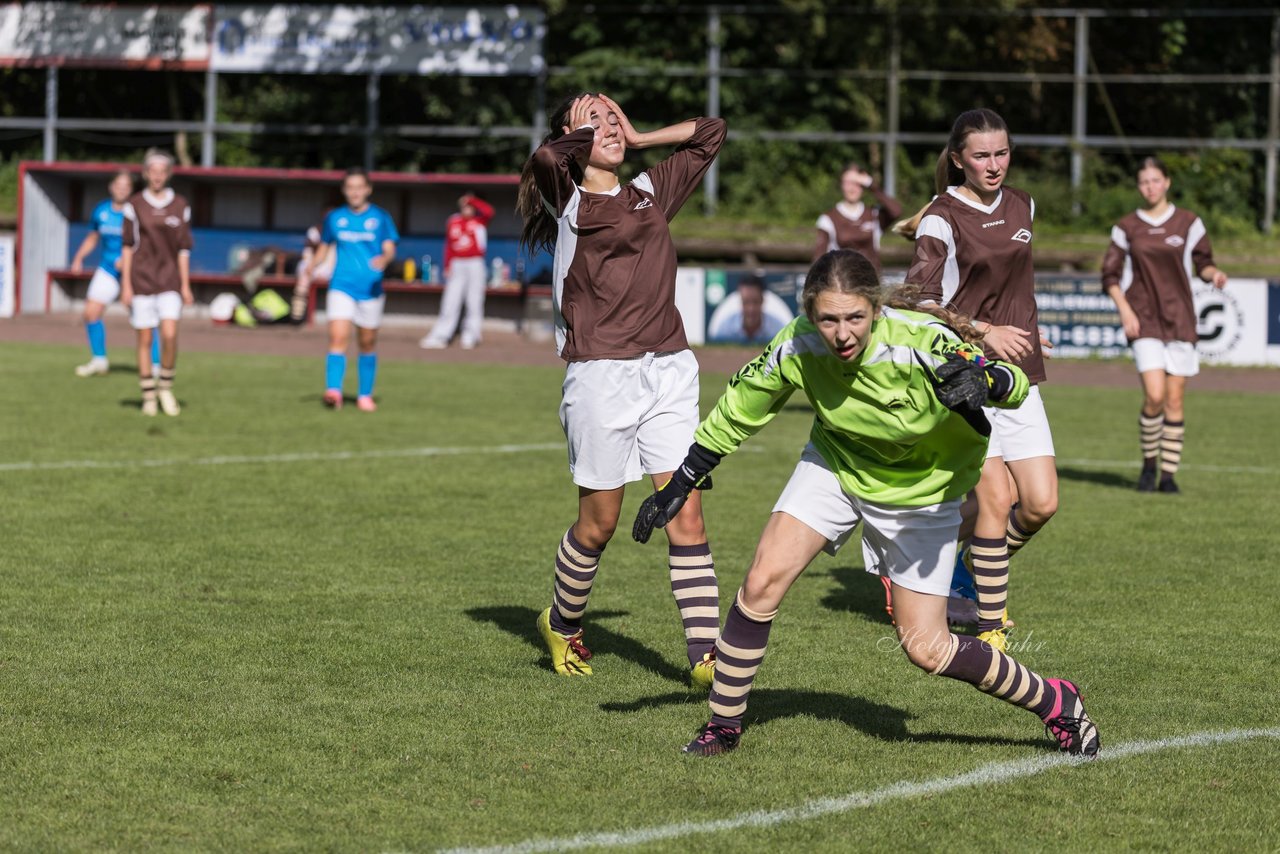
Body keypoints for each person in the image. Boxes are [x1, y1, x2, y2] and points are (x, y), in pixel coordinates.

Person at [632, 250, 1099, 759]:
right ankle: (723, 724)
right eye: (828, 319)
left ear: (875, 309)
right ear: (810, 314)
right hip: (837, 465)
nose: (842, 333)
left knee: (929, 649)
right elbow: (742, 406)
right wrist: (684, 477)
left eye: (855, 317)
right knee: (762, 581)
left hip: (922, 491)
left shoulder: (920, 341)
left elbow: (1013, 385)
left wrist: (988, 381)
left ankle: (1056, 700)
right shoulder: (797, 344)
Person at [516, 92, 727, 685]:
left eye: (613, 115)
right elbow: (544, 158)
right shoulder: (569, 199)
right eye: (592, 119)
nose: (607, 126)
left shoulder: (650, 191)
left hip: (670, 370)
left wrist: (638, 138)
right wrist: (584, 133)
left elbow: (711, 130)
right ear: (570, 134)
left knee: (685, 516)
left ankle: (706, 656)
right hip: (600, 377)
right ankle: (562, 622)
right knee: (599, 525)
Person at [903, 109, 1057, 651]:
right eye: (981, 156)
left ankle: (962, 560)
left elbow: (1017, 284)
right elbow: (918, 304)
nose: (994, 165)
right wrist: (986, 330)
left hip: (1019, 374)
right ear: (958, 159)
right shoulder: (940, 219)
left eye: (1002, 153)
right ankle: (991, 631)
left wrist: (1031, 333)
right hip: (964, 374)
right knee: (995, 500)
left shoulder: (1023, 204)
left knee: (1039, 504)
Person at [1102, 156, 1228, 494]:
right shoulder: (1127, 227)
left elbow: (1203, 262)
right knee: (1154, 395)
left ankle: (1168, 477)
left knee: (1174, 400)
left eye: (1156, 180)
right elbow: (1110, 275)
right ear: (1138, 186)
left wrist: (1213, 274)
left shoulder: (1189, 223)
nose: (1150, 187)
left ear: (1167, 182)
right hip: (1143, 319)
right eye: (1144, 182)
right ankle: (1147, 467)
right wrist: (1125, 311)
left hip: (1179, 320)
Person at [311, 168, 399, 412]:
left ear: (368, 189)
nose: (355, 192)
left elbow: (390, 248)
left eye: (359, 187)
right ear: (344, 191)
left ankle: (364, 395)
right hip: (341, 285)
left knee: (367, 343)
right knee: (338, 338)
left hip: (370, 289)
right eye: (350, 187)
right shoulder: (335, 218)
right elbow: (324, 246)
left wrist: (384, 259)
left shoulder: (380, 217)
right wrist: (311, 266)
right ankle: (333, 391)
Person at [119, 150, 194, 417]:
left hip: (170, 280)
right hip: (141, 280)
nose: (158, 175)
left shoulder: (180, 204)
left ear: (169, 173)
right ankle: (148, 394)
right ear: (146, 173)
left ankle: (166, 387)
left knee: (170, 334)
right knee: (145, 338)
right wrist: (126, 285)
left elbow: (184, 249)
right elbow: (128, 247)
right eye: (153, 170)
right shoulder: (135, 204)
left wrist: (185, 285)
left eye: (163, 170)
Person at [71, 170, 161, 376]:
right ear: (111, 187)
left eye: (126, 186)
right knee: (91, 312)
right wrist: (78, 258)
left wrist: (132, 261)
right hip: (108, 269)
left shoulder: (137, 211)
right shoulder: (101, 211)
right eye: (118, 185)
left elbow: (148, 243)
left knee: (144, 317)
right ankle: (99, 360)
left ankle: (155, 364)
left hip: (135, 272)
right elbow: (93, 237)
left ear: (131, 189)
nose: (121, 189)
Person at [420, 192, 495, 350]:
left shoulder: (479, 221)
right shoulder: (453, 221)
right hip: (457, 263)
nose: (467, 208)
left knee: (474, 301)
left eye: (470, 206)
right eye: (465, 205)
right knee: (450, 301)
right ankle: (441, 335)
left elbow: (489, 211)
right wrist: (447, 265)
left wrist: (472, 200)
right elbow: (448, 245)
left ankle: (471, 335)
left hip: (475, 263)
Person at [813, 162, 902, 272]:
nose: (852, 188)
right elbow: (818, 259)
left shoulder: (873, 215)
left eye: (857, 183)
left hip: (872, 284)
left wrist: (871, 185)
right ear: (841, 185)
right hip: (844, 284)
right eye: (848, 183)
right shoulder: (827, 219)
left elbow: (896, 211)